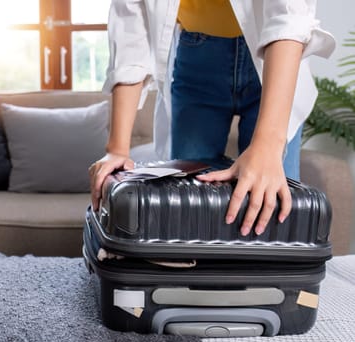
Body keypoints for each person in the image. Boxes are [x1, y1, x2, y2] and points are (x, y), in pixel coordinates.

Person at [89, 0, 335, 236]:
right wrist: (118, 149)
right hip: (196, 57)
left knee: (274, 209)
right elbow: (130, 25)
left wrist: (269, 145)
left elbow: (289, 14)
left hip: (275, 57)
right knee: (187, 211)